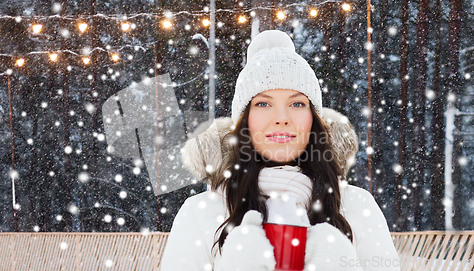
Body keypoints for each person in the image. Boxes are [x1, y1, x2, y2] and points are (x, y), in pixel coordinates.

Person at [160, 30, 400, 271]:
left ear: (312, 120)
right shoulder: (202, 212)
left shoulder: (356, 206)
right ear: (245, 121)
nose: (282, 118)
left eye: (297, 104)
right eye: (263, 104)